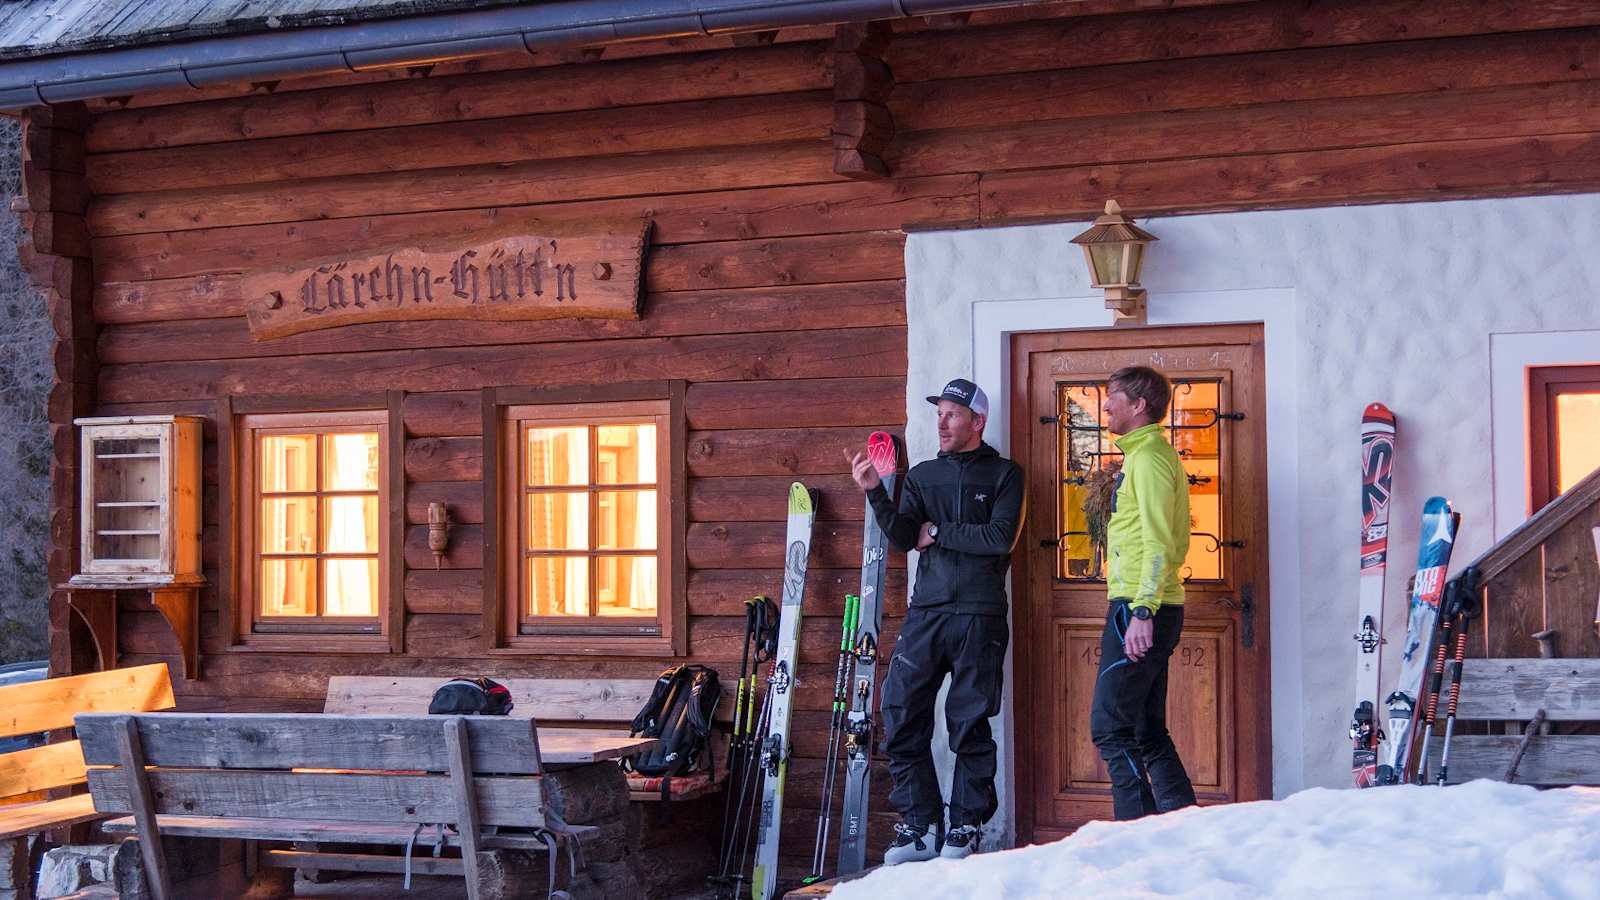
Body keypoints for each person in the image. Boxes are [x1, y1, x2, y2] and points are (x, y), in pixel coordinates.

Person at [845, 378, 1024, 863]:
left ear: (977, 421)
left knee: (967, 723)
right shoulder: (923, 475)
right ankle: (920, 826)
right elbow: (905, 536)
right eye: (939, 413)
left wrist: (940, 530)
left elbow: (998, 538)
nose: (941, 422)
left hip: (980, 616)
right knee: (899, 711)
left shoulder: (1007, 475)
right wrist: (875, 493)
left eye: (952, 414)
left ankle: (965, 826)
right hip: (927, 613)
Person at [1089, 365, 1198, 820]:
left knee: (1110, 727)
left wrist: (1142, 609)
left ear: (1139, 405)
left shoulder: (1149, 458)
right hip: (1145, 603)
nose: (1106, 405)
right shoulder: (1143, 455)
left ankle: (1135, 832)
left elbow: (1158, 540)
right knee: (1145, 728)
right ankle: (1180, 824)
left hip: (1140, 605)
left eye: (1113, 397)